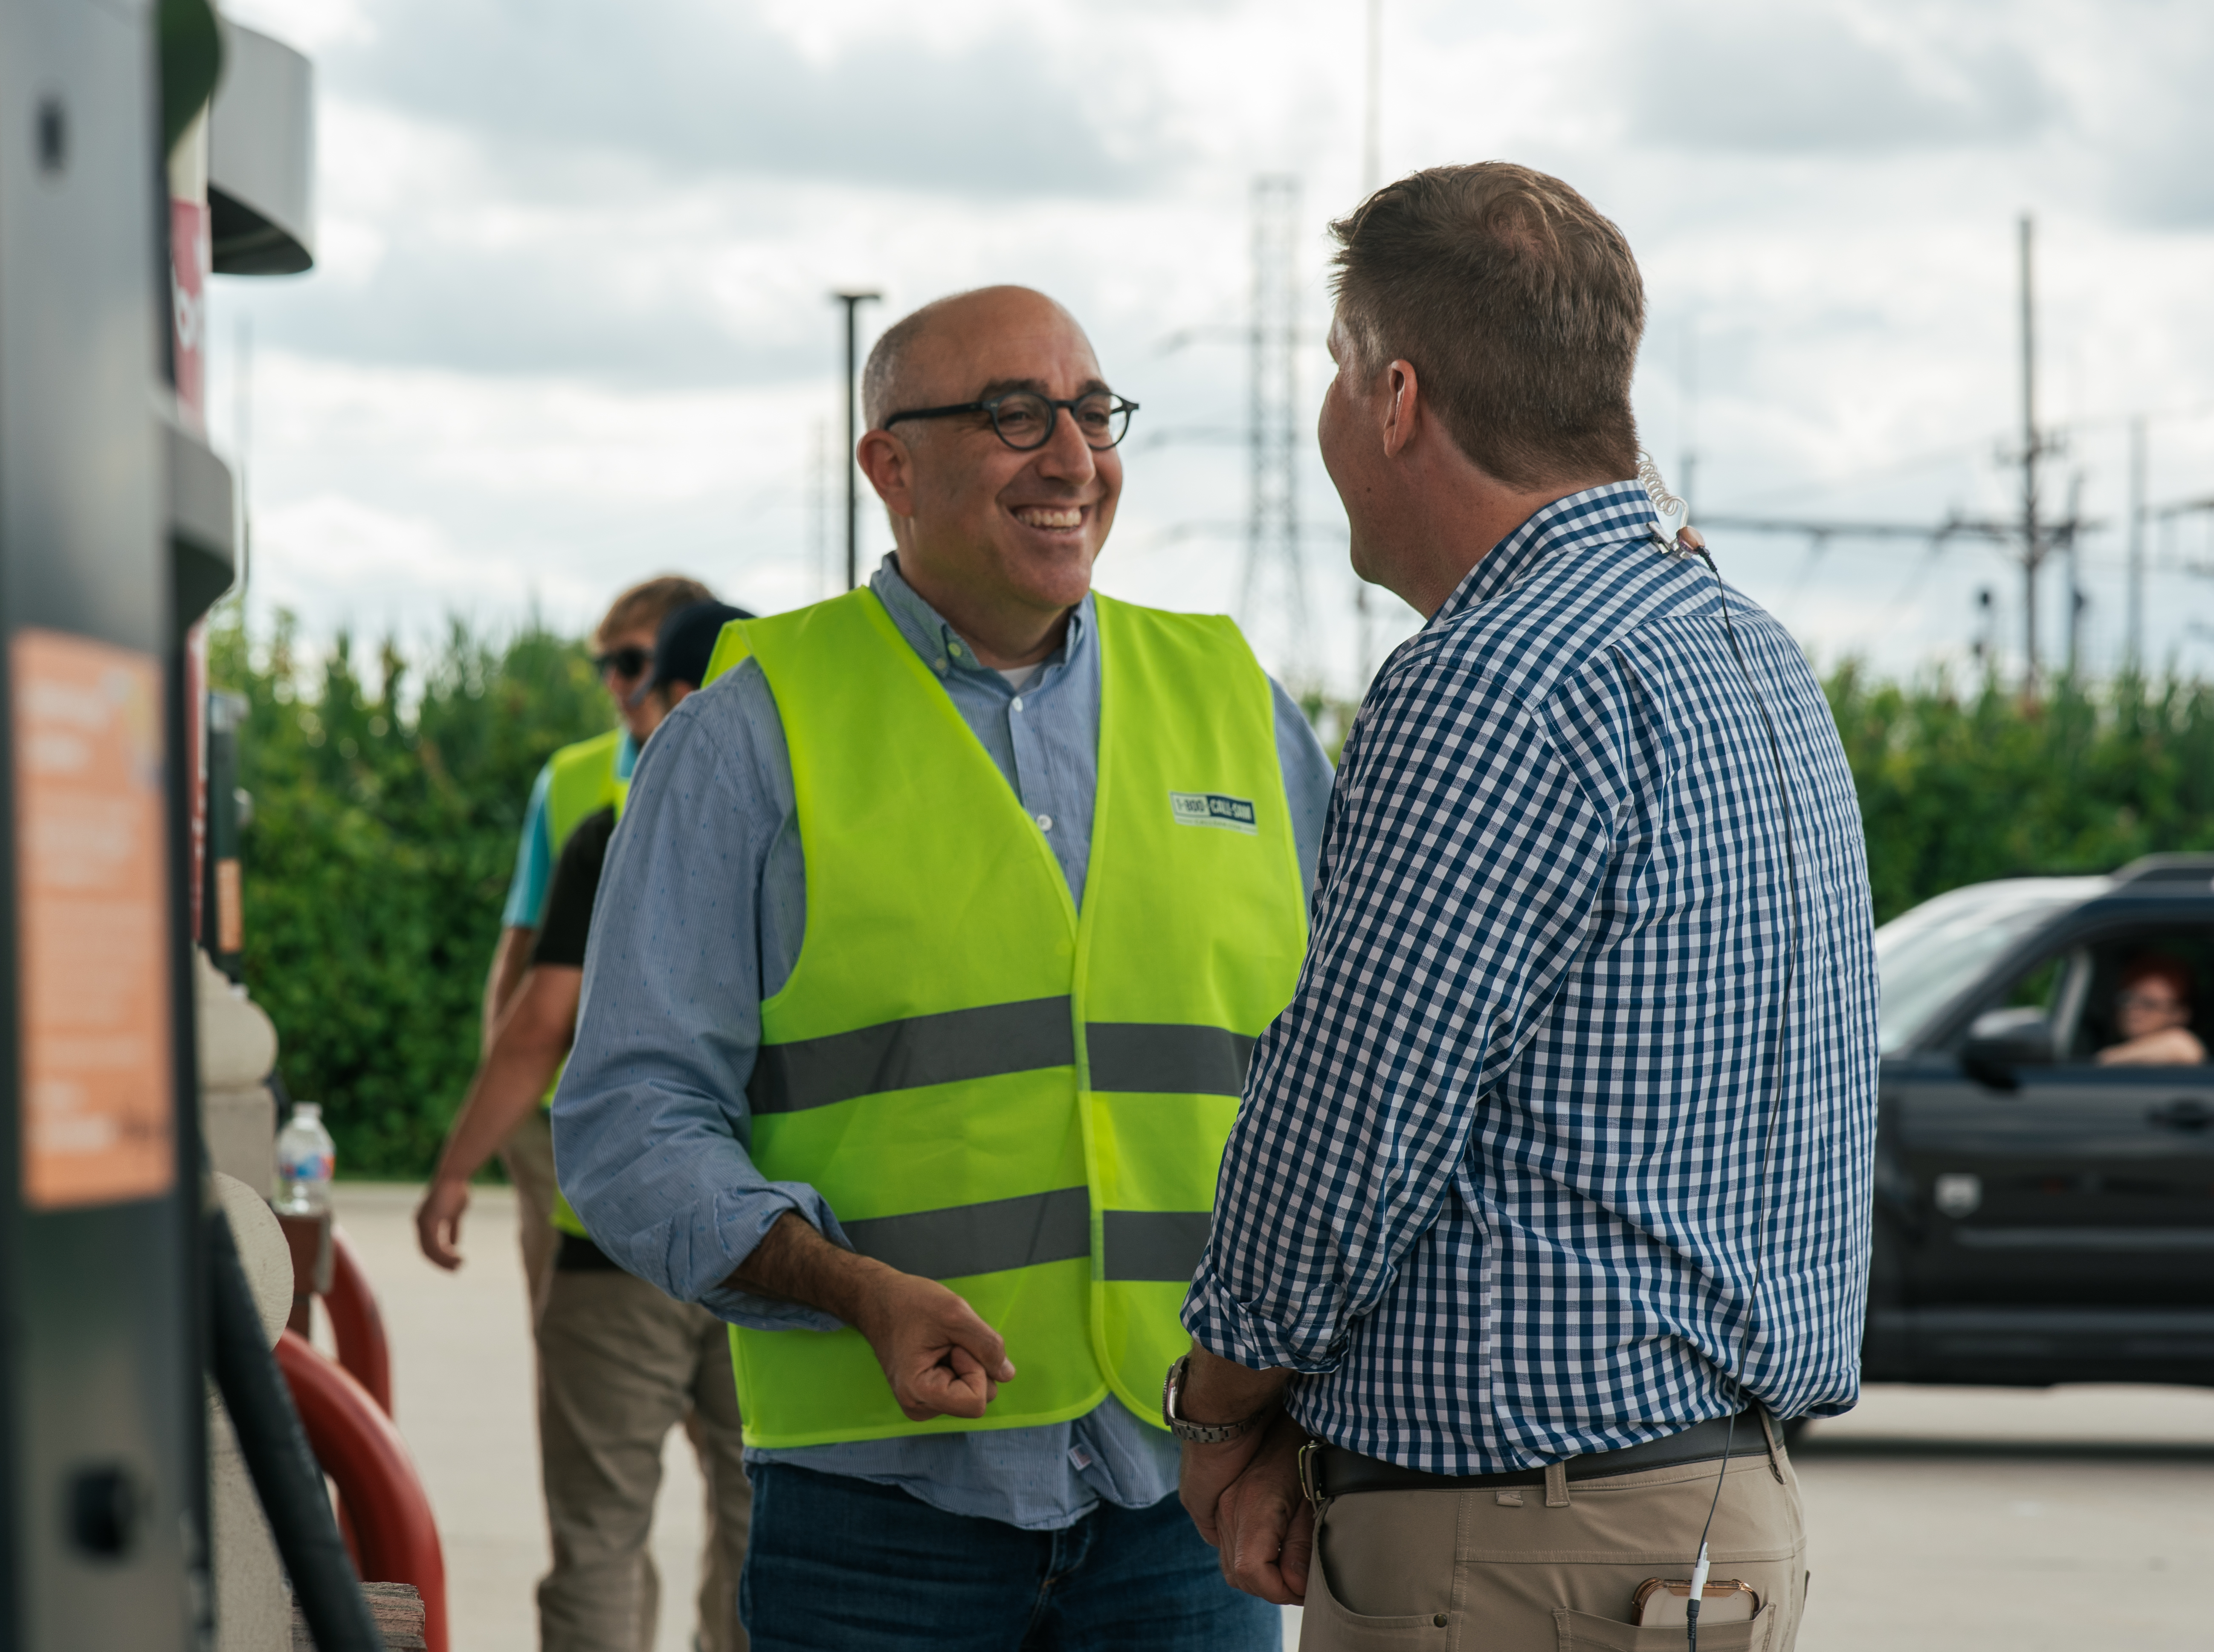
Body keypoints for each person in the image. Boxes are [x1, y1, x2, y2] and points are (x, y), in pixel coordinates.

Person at [552, 285, 1335, 1651]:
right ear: (888, 466)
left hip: (1184, 1504)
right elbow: (627, 1124)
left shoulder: (1233, 701)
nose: (1073, 458)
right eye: (1014, 415)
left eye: (1093, 413)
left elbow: (1344, 1079)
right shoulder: (747, 739)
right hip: (875, 1524)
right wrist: (849, 1287)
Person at [1169, 163, 1878, 1650]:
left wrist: (1222, 1400)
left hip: (1519, 1547)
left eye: (1331, 373)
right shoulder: (1748, 656)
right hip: (1704, 1513)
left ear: (1396, 396)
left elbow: (1353, 1111)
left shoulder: (1491, 680)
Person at [417, 600, 757, 1652]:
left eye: (642, 678)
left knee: (601, 1532)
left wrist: (452, 1171)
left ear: (676, 697)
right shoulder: (839, 821)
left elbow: (537, 1026)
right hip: (783, 1249)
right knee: (764, 1533)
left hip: (620, 1239)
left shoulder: (615, 824)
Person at [485, 574, 713, 1314]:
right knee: (578, 1336)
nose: (617, 683)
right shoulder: (572, 779)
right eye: (605, 665)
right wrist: (505, 1089)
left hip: (705, 1110)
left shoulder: (753, 766)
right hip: (567, 1115)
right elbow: (521, 944)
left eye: (634, 661)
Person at [2097, 955, 2205, 1065]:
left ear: (2179, 1015)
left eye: (2149, 1003)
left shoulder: (2179, 1050)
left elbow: (2182, 1047)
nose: (2133, 1008)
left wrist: (2109, 1057)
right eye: (2127, 998)